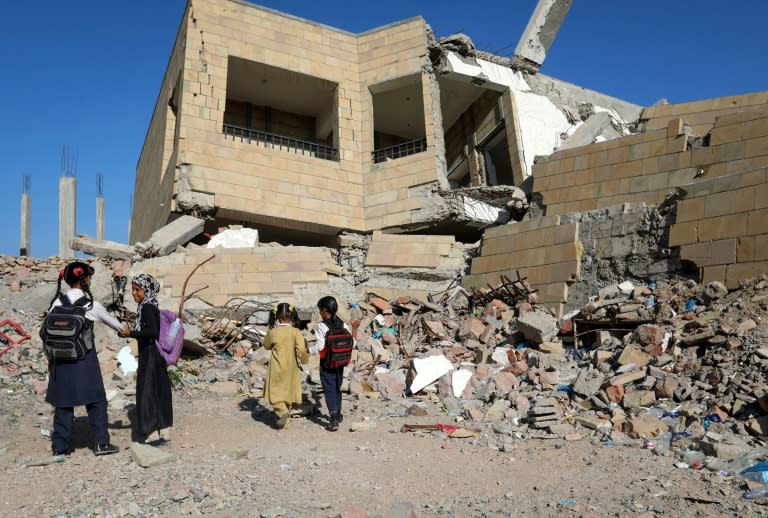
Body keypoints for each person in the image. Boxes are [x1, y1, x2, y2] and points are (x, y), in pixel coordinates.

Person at [44, 261, 125, 456]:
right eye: (89, 276)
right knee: (96, 400)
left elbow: (48, 333)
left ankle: (60, 448)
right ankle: (100, 444)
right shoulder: (92, 306)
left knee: (63, 402)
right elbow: (119, 327)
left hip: (60, 361)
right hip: (84, 361)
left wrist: (50, 361)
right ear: (84, 279)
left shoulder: (56, 303)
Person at [119, 274, 173, 443]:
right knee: (159, 389)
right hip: (154, 354)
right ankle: (164, 428)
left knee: (147, 391)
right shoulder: (150, 306)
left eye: (138, 289)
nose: (134, 293)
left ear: (147, 290)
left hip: (150, 354)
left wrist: (131, 333)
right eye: (133, 289)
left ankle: (150, 430)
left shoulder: (147, 308)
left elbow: (152, 332)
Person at [309, 296, 358, 431]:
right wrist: (355, 329)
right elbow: (353, 343)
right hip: (340, 362)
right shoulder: (343, 324)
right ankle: (339, 412)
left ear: (325, 310)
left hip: (327, 364)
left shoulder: (322, 326)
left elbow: (319, 346)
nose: (319, 313)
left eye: (320, 310)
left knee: (329, 388)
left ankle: (333, 416)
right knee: (337, 387)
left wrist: (307, 350)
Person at [263, 303, 308, 429]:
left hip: (277, 366)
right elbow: (301, 349)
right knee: (287, 393)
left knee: (275, 395)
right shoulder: (295, 332)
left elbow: (266, 345)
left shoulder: (273, 332)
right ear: (291, 316)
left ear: (276, 316)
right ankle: (285, 423)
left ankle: (282, 413)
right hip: (291, 367)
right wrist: (305, 360)